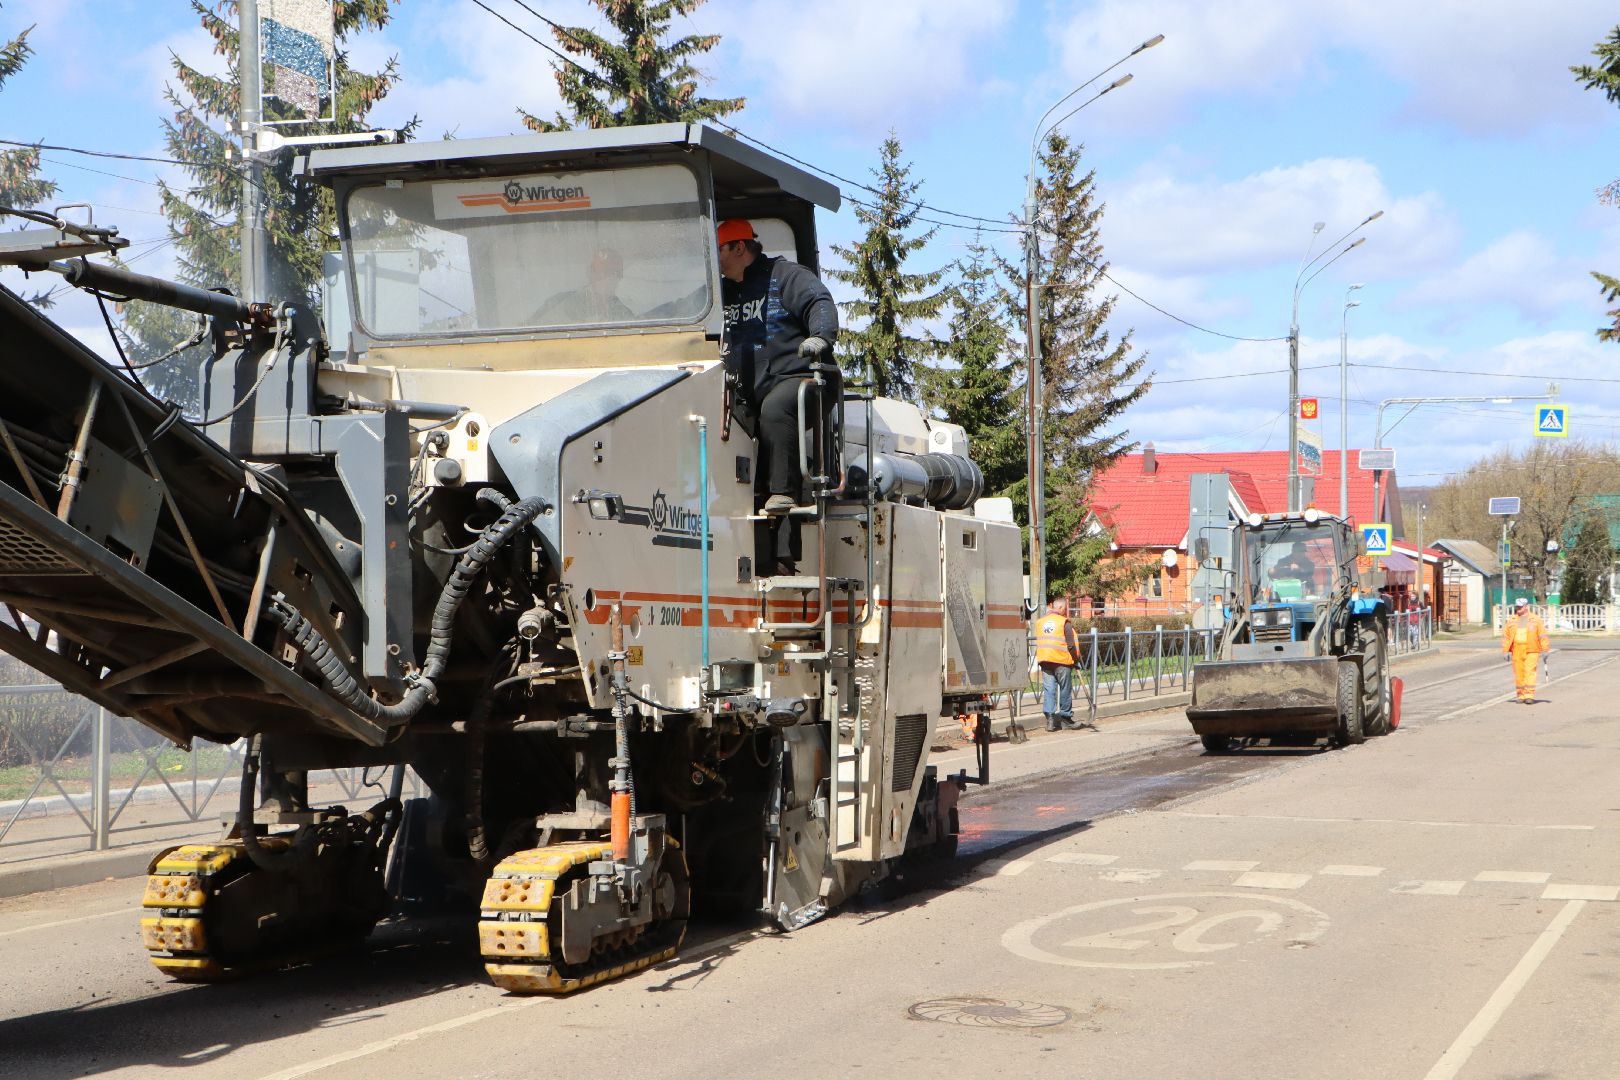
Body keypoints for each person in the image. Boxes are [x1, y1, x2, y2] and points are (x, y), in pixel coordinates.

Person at [717, 219, 839, 520]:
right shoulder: (721, 292)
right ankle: (746, 516)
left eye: (718, 250)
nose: (714, 260)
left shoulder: (785, 275)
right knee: (730, 422)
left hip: (803, 379)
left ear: (739, 247)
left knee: (776, 408)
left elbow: (818, 301)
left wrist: (820, 337)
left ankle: (782, 490)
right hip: (750, 390)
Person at [536, 248, 634, 324]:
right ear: (590, 274)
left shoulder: (624, 314)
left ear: (619, 277)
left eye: (612, 273)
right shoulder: (559, 302)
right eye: (599, 272)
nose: (605, 278)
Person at [1033, 598, 1084, 732]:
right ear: (1061, 608)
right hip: (1061, 661)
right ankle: (1066, 719)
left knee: (1049, 690)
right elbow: (1071, 644)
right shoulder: (1064, 622)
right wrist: (1075, 661)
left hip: (1045, 661)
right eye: (1065, 608)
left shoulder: (1040, 622)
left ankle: (1050, 720)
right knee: (1065, 689)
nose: (1066, 611)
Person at [1501, 596, 1549, 704]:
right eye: (1517, 607)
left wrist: (1545, 650)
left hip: (1531, 650)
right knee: (1519, 673)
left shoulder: (1536, 619)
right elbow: (1506, 637)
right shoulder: (1511, 620)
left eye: (1520, 607)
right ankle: (1521, 695)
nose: (1518, 609)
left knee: (1529, 672)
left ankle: (1529, 695)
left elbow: (1542, 635)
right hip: (1517, 650)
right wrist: (1506, 650)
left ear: (1526, 607)